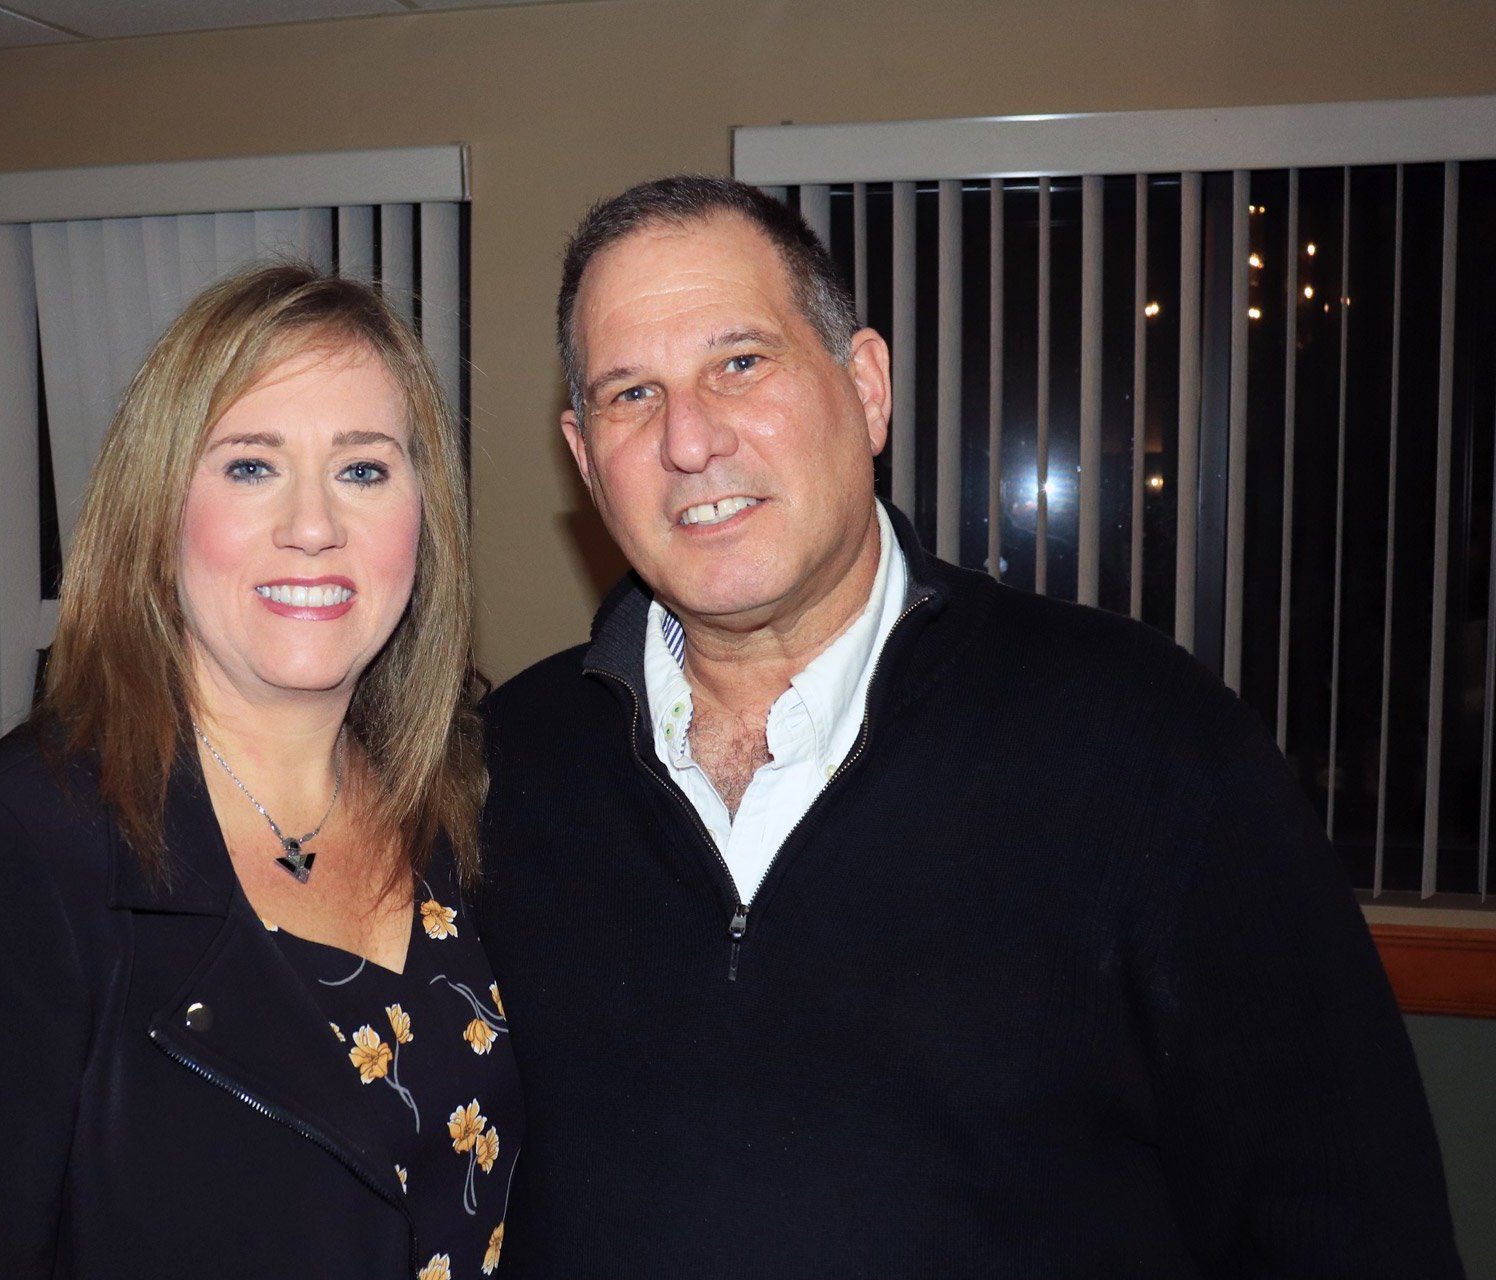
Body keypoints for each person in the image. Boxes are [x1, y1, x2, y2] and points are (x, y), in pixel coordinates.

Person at [474, 176, 1461, 1276]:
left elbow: (1347, 1216)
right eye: (630, 394)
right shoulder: (502, 764)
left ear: (866, 386)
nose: (691, 439)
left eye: (739, 362)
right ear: (583, 456)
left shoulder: (1147, 745)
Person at [0, 264, 521, 1280]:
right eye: (251, 466)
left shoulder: (461, 806)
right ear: (158, 516)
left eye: (364, 468)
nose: (314, 523)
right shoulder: (4, 849)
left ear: (425, 518)